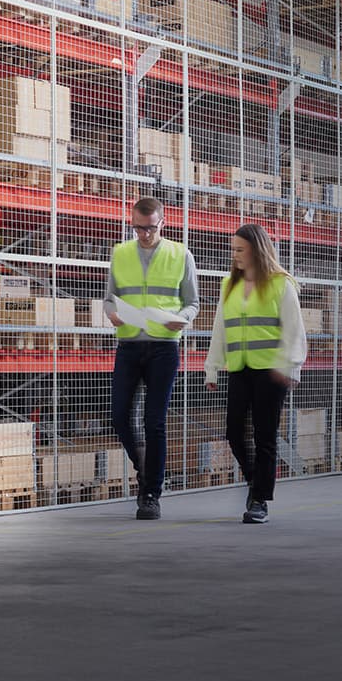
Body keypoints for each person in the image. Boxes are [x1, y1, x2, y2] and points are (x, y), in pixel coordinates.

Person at [104, 196, 201, 520]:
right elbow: (109, 299)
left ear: (163, 222)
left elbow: (193, 302)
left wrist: (182, 319)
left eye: (149, 228)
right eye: (137, 228)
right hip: (129, 345)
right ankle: (143, 464)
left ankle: (151, 494)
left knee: (154, 421)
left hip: (163, 347)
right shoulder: (120, 253)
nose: (143, 234)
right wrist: (113, 314)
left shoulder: (180, 254)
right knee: (118, 415)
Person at [204, 224, 307, 525]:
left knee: (265, 436)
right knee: (234, 433)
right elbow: (220, 329)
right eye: (233, 249)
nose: (234, 254)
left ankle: (260, 500)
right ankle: (255, 481)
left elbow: (294, 329)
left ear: (256, 250)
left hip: (271, 371)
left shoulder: (280, 284)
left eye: (240, 249)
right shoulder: (229, 285)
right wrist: (212, 367)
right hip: (239, 368)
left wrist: (292, 367)